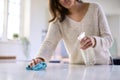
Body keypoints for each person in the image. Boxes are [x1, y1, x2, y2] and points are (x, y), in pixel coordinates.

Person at [29, 0, 113, 67]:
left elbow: (109, 40)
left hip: (103, 66)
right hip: (77, 69)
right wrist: (40, 58)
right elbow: (49, 43)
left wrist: (94, 41)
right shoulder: (58, 20)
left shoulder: (95, 8)